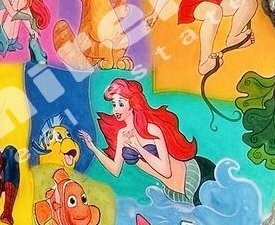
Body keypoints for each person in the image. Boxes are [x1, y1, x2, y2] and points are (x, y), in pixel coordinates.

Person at [79, 78, 215, 205]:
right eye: (114, 104)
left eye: (121, 104)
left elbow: (166, 171)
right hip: (176, 193)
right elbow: (115, 170)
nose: (116, 109)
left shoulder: (151, 129)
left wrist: (139, 148)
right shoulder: (122, 135)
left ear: (132, 105)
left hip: (197, 177)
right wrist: (93, 148)